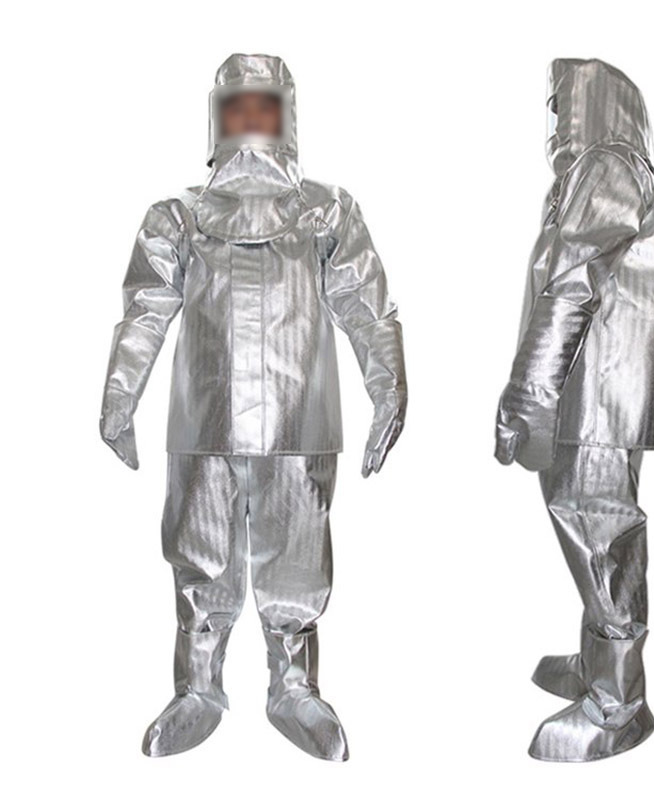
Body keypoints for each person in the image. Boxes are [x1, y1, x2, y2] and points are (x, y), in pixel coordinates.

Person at [100, 53, 407, 761]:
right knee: (199, 558)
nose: (248, 121)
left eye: (262, 107)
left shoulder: (326, 210)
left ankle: (294, 688)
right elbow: (145, 311)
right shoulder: (179, 216)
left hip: (299, 422)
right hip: (203, 422)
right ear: (213, 119)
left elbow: (367, 305)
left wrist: (389, 384)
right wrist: (120, 393)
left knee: (296, 561)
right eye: (234, 107)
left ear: (287, 116)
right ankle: (197, 687)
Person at [495, 58, 654, 762]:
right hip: (592, 391)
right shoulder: (597, 172)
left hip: (598, 391)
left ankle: (619, 703)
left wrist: (529, 389)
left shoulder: (607, 162)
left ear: (591, 103)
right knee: (588, 530)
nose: (552, 123)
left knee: (600, 531)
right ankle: (598, 658)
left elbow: (573, 281)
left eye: (560, 105)